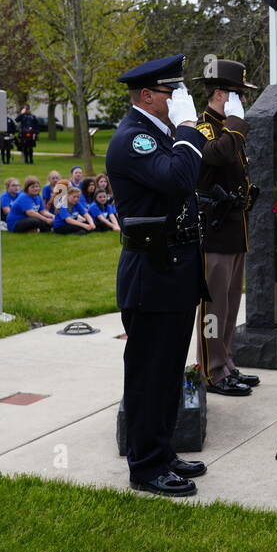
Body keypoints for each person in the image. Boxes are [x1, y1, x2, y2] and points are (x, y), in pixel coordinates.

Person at [106, 54, 209, 498]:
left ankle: (162, 452)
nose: (179, 100)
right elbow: (179, 178)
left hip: (174, 272)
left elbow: (186, 188)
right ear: (147, 95)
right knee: (148, 375)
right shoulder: (135, 139)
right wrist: (190, 130)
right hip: (151, 275)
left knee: (169, 372)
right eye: (173, 92)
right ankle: (145, 466)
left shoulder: (159, 135)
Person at [191, 59, 261, 397]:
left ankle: (227, 362)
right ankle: (210, 371)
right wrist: (234, 122)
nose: (243, 102)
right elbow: (215, 156)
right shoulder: (204, 129)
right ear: (221, 94)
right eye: (238, 95)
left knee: (231, 304)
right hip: (215, 233)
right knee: (213, 308)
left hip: (235, 229)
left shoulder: (231, 128)